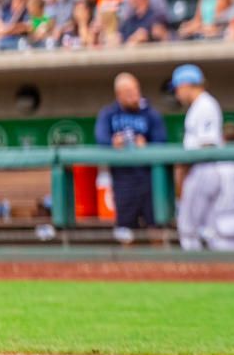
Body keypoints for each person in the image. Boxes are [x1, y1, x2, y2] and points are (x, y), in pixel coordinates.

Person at [94, 73, 167, 235]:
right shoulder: (108, 114)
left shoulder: (151, 114)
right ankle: (125, 261)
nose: (134, 96)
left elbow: (162, 141)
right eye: (128, 92)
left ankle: (161, 260)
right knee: (125, 229)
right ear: (118, 94)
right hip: (123, 179)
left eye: (135, 91)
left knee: (156, 226)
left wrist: (146, 146)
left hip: (150, 178)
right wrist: (113, 142)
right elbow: (101, 138)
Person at [172, 64, 224, 251]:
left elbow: (207, 144)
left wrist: (183, 170)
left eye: (177, 88)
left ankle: (193, 272)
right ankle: (215, 273)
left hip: (202, 170)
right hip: (204, 170)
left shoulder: (205, 104)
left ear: (186, 84)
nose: (177, 93)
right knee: (209, 230)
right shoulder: (201, 105)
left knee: (188, 228)